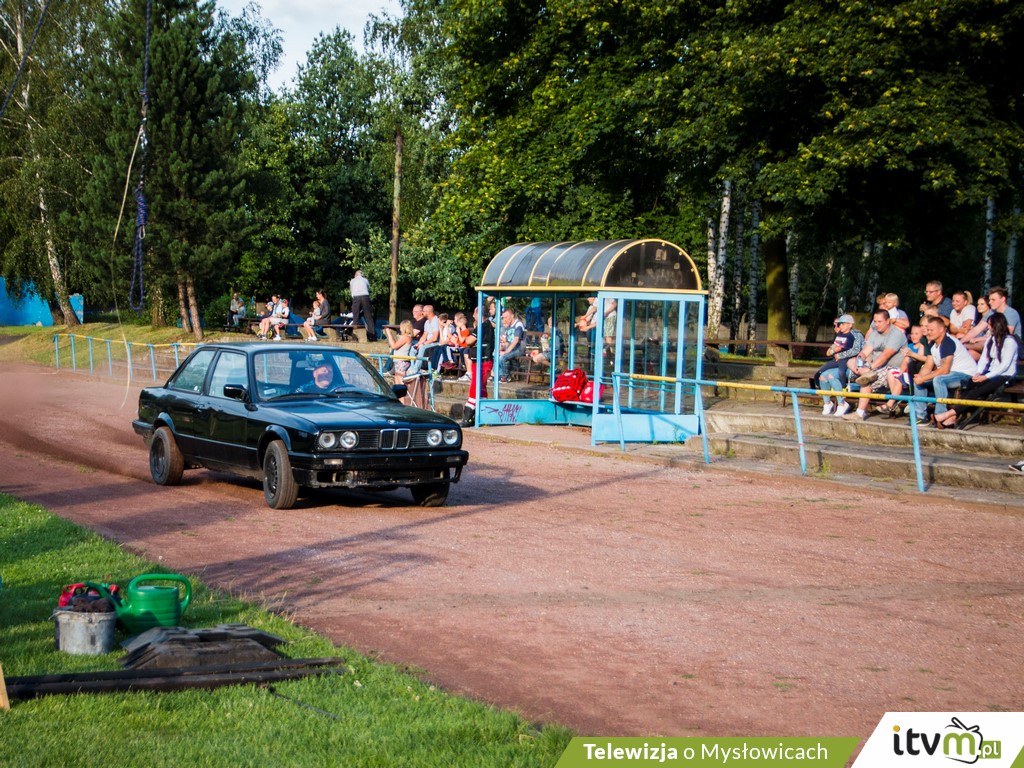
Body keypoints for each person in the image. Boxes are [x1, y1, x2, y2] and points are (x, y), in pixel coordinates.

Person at [935, 313, 1019, 428]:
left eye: (990, 325)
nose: (988, 327)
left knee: (978, 390)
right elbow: (984, 359)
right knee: (968, 385)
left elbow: (1004, 366)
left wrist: (986, 377)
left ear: (997, 325)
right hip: (991, 373)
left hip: (1004, 376)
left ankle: (950, 414)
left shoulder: (1010, 342)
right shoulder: (991, 340)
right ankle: (954, 417)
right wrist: (978, 373)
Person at [842, 308, 908, 421]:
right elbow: (865, 351)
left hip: (893, 368)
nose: (876, 324)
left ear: (888, 321)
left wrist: (869, 368)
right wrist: (860, 362)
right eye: (875, 321)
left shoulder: (896, 335)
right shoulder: (874, 333)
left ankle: (862, 411)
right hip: (878, 367)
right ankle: (859, 413)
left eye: (879, 322)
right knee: (852, 362)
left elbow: (885, 355)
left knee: (866, 380)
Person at [911, 315, 977, 424]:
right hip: (950, 374)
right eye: (928, 330)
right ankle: (920, 416)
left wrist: (923, 378)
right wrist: (920, 377)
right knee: (919, 381)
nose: (928, 332)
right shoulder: (933, 344)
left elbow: (944, 370)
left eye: (931, 330)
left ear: (941, 329)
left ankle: (940, 415)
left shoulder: (947, 342)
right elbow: (928, 365)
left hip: (965, 375)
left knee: (939, 379)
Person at [816, 314, 862, 415]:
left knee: (831, 376)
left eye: (841, 324)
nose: (838, 327)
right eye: (837, 325)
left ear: (850, 325)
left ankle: (842, 403)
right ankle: (827, 403)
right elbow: (834, 348)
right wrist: (832, 350)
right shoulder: (840, 336)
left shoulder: (856, 335)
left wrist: (839, 355)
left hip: (852, 365)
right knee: (822, 376)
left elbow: (856, 350)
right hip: (839, 362)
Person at [879, 324, 928, 416]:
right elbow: (904, 362)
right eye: (912, 333)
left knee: (899, 379)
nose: (913, 336)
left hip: (914, 372)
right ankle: (895, 400)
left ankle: (890, 403)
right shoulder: (909, 346)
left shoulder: (923, 347)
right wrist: (901, 372)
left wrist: (901, 373)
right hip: (906, 370)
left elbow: (909, 361)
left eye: (916, 334)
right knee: (891, 373)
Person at [461, 306, 495, 427]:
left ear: (479, 314)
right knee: (481, 388)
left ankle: (468, 416)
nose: (473, 316)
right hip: (481, 361)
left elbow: (469, 341)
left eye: (475, 313)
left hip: (483, 361)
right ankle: (483, 415)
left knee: (475, 387)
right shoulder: (486, 325)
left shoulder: (483, 326)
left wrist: (465, 334)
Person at [383, 320, 416, 404]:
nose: (400, 329)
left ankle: (403, 403)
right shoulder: (404, 337)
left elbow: (394, 346)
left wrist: (389, 334)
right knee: (397, 384)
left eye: (401, 327)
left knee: (400, 385)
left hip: (402, 362)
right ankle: (399, 402)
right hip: (398, 361)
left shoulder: (406, 337)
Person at [497, 307, 526, 382]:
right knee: (497, 355)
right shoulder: (509, 325)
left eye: (506, 317)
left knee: (503, 358)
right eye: (503, 317)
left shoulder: (518, 325)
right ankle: (501, 375)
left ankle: (506, 377)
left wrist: (506, 351)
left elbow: (516, 340)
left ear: (512, 315)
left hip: (519, 349)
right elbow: (508, 340)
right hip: (512, 348)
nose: (505, 319)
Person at [349, 270, 376, 341]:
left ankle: (354, 337)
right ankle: (372, 336)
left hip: (356, 298)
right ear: (362, 275)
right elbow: (368, 288)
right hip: (365, 297)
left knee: (355, 317)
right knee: (369, 317)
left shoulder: (352, 281)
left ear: (355, 275)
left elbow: (351, 291)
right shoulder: (365, 280)